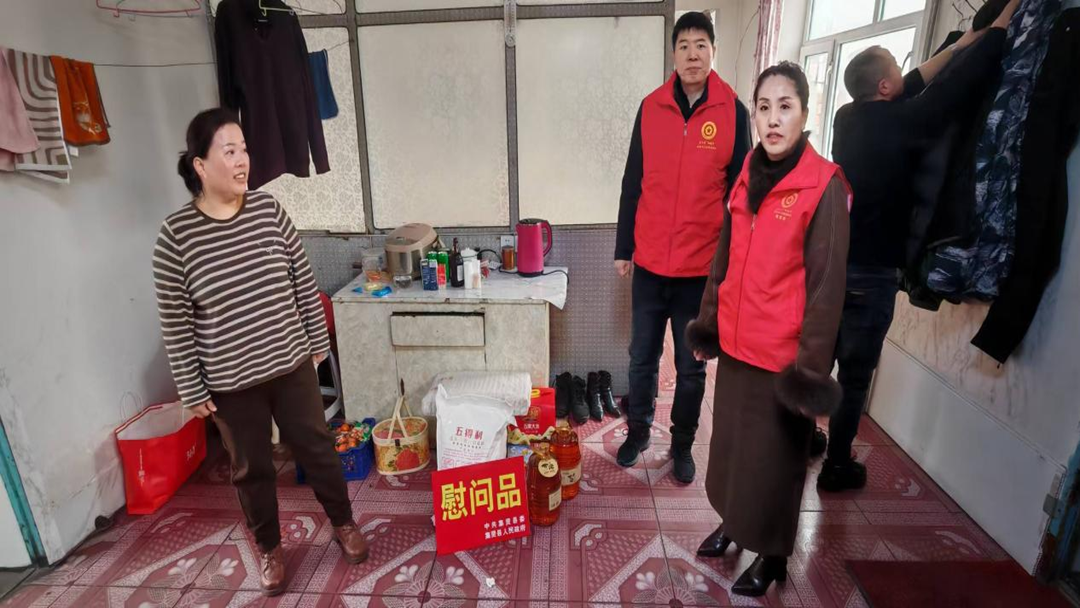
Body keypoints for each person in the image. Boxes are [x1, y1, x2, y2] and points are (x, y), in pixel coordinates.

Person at [152, 108, 368, 596]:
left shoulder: (269, 211)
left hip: (290, 365)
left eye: (244, 149)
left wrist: (317, 343)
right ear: (200, 165)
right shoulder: (176, 237)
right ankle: (269, 547)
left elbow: (302, 281)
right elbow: (175, 321)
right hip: (231, 382)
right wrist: (191, 387)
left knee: (318, 448)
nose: (242, 160)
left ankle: (344, 522)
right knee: (251, 469)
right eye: (229, 151)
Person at [816, 0, 1020, 492]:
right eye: (895, 65)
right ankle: (837, 466)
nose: (904, 72)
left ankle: (802, 439)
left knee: (818, 361)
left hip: (830, 267)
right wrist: (1001, 22)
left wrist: (963, 40)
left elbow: (914, 82)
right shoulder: (907, 124)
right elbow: (955, 86)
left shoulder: (846, 119)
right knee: (855, 376)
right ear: (885, 87)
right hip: (872, 275)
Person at [685, 62, 850, 597]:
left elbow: (826, 289)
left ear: (805, 112)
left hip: (782, 360)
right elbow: (723, 259)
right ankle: (735, 524)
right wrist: (709, 322)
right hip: (737, 346)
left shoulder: (823, 185)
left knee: (774, 463)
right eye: (764, 107)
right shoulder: (747, 174)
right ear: (753, 116)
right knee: (733, 450)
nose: (773, 119)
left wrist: (810, 371)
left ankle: (773, 553)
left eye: (785, 106)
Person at [614, 11, 751, 483]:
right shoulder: (651, 107)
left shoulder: (734, 111)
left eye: (701, 45)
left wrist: (731, 263)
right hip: (651, 264)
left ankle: (683, 444)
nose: (693, 55)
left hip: (700, 269)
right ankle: (637, 433)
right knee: (641, 358)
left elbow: (740, 195)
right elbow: (633, 181)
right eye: (684, 46)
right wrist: (624, 247)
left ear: (713, 51)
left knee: (692, 369)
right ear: (673, 53)